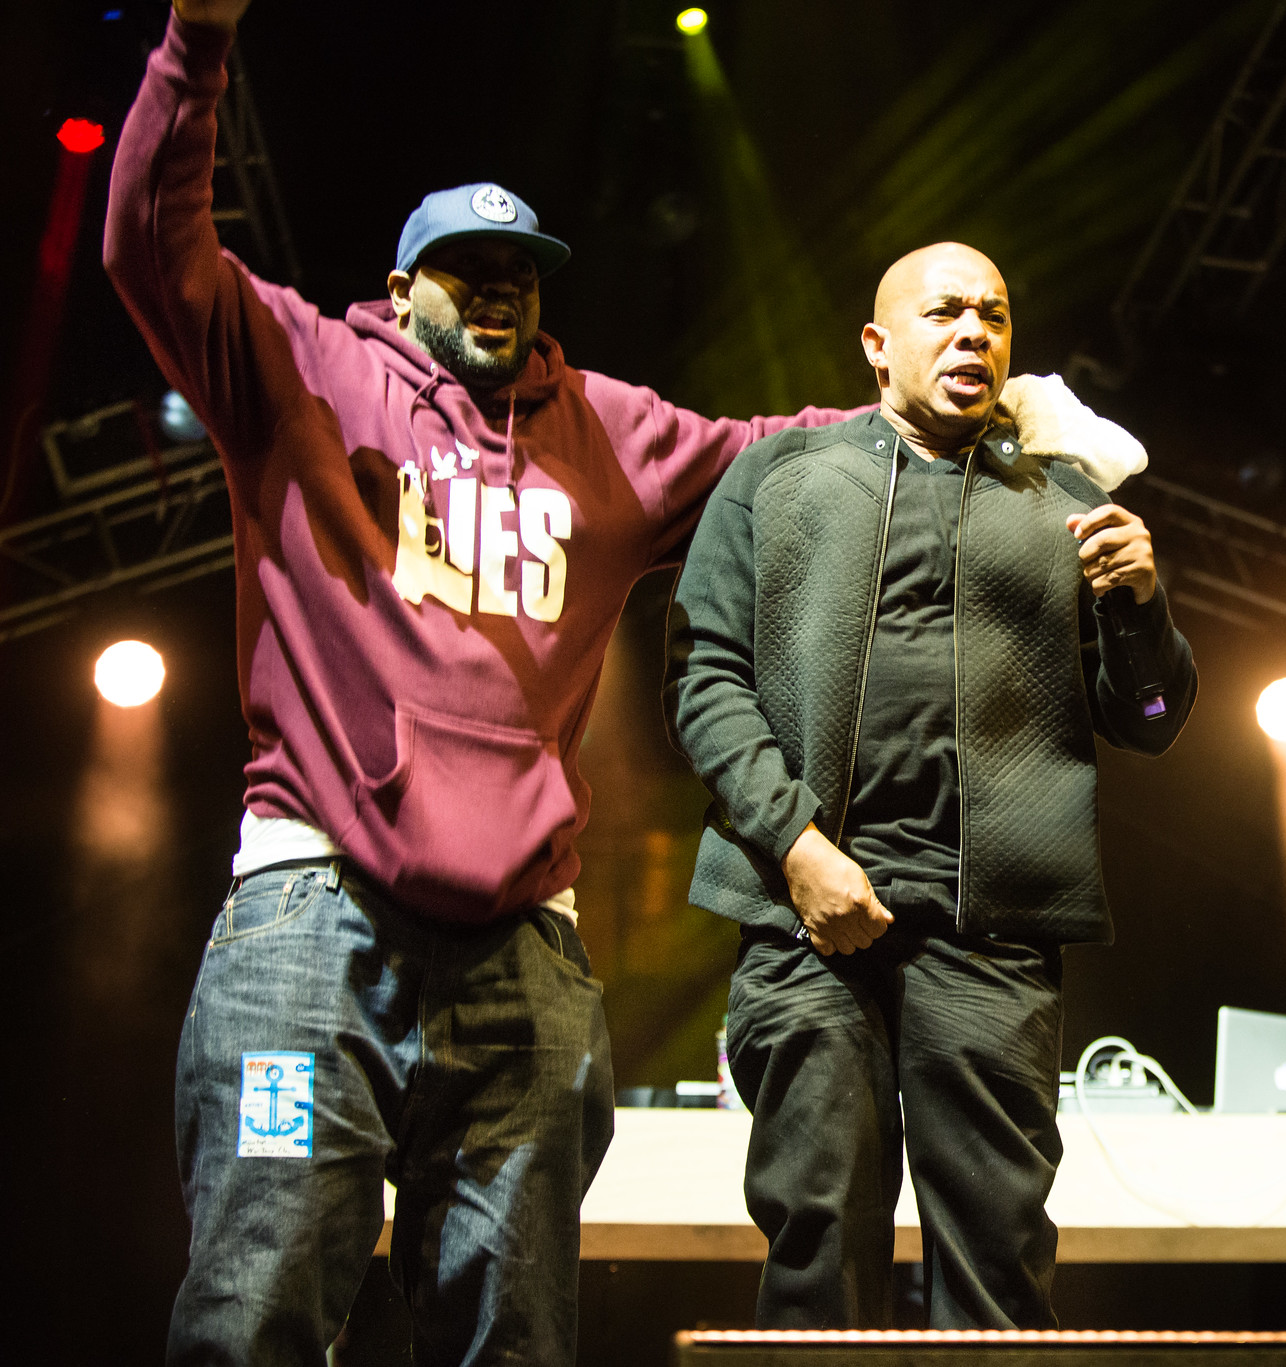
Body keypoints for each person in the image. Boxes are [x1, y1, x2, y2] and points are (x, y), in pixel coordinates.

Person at [108, 5, 1115, 1362]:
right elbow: (152, 248)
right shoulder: (302, 371)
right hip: (312, 927)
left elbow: (783, 457)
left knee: (518, 1329)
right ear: (399, 288)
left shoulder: (605, 430)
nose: (498, 289)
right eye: (464, 270)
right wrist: (196, 39)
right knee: (261, 1292)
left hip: (521, 954)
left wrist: (999, 411)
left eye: (520, 272)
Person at [663, 242, 1197, 1329]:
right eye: (945, 311)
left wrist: (1141, 607)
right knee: (817, 1249)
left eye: (993, 316)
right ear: (877, 344)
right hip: (808, 922)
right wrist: (797, 848)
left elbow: (1150, 722)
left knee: (998, 1265)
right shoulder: (778, 477)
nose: (974, 334)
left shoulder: (1065, 499)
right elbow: (701, 677)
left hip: (990, 939)